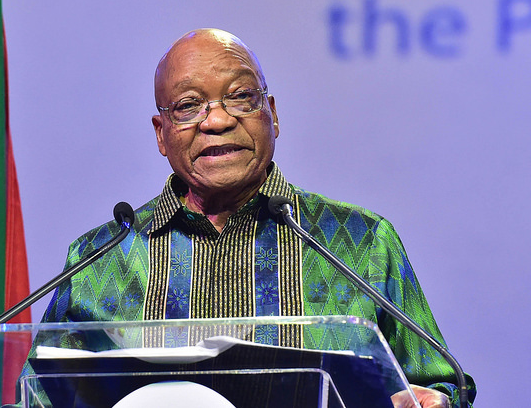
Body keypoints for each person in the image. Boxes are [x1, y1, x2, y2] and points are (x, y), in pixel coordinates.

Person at [32, 28, 476, 407]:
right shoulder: (99, 259)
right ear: (161, 134)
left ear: (273, 115)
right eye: (188, 105)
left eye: (240, 96)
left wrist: (436, 400)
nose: (217, 120)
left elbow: (443, 384)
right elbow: (38, 396)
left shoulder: (360, 243)